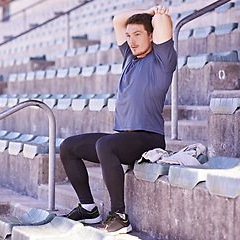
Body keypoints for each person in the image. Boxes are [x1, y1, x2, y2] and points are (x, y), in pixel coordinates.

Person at [60, 5, 177, 235]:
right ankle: (88, 208)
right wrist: (147, 9)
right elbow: (117, 20)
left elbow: (163, 21)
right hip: (124, 139)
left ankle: (120, 216)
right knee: (68, 147)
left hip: (148, 138)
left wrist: (156, 13)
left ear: (151, 36)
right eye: (129, 36)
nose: (131, 41)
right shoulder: (129, 58)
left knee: (105, 145)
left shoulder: (162, 61)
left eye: (138, 35)